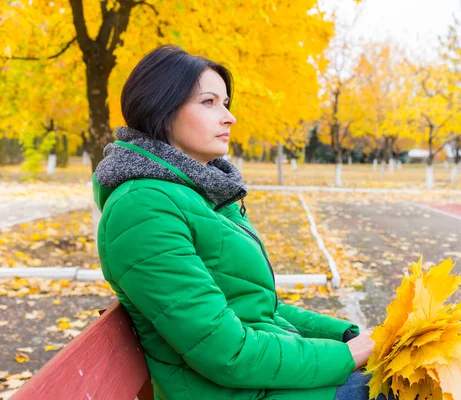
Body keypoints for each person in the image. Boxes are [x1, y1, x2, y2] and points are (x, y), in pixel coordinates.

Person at [93, 45, 393, 400]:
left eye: (225, 103)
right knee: (408, 386)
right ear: (162, 109)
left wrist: (347, 335)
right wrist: (350, 355)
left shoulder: (198, 194)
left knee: (413, 371)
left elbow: (260, 306)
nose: (228, 117)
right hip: (236, 391)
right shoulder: (143, 209)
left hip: (255, 383)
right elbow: (226, 352)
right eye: (209, 102)